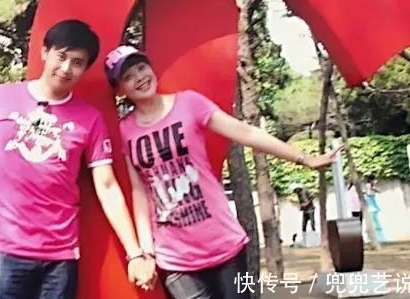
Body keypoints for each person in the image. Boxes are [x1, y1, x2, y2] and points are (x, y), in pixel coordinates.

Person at [104, 45, 340, 299]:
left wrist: (302, 158)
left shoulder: (189, 103)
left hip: (224, 246)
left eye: (141, 68)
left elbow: (245, 132)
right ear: (120, 90)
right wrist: (146, 252)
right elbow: (141, 192)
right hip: (175, 259)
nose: (139, 77)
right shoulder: (125, 131)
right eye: (128, 77)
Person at [0, 22, 155, 299]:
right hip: (3, 252)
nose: (66, 68)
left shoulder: (90, 118)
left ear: (84, 69)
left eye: (77, 62)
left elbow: (107, 186)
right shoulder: (1, 97)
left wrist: (134, 253)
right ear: (44, 52)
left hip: (60, 258)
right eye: (61, 57)